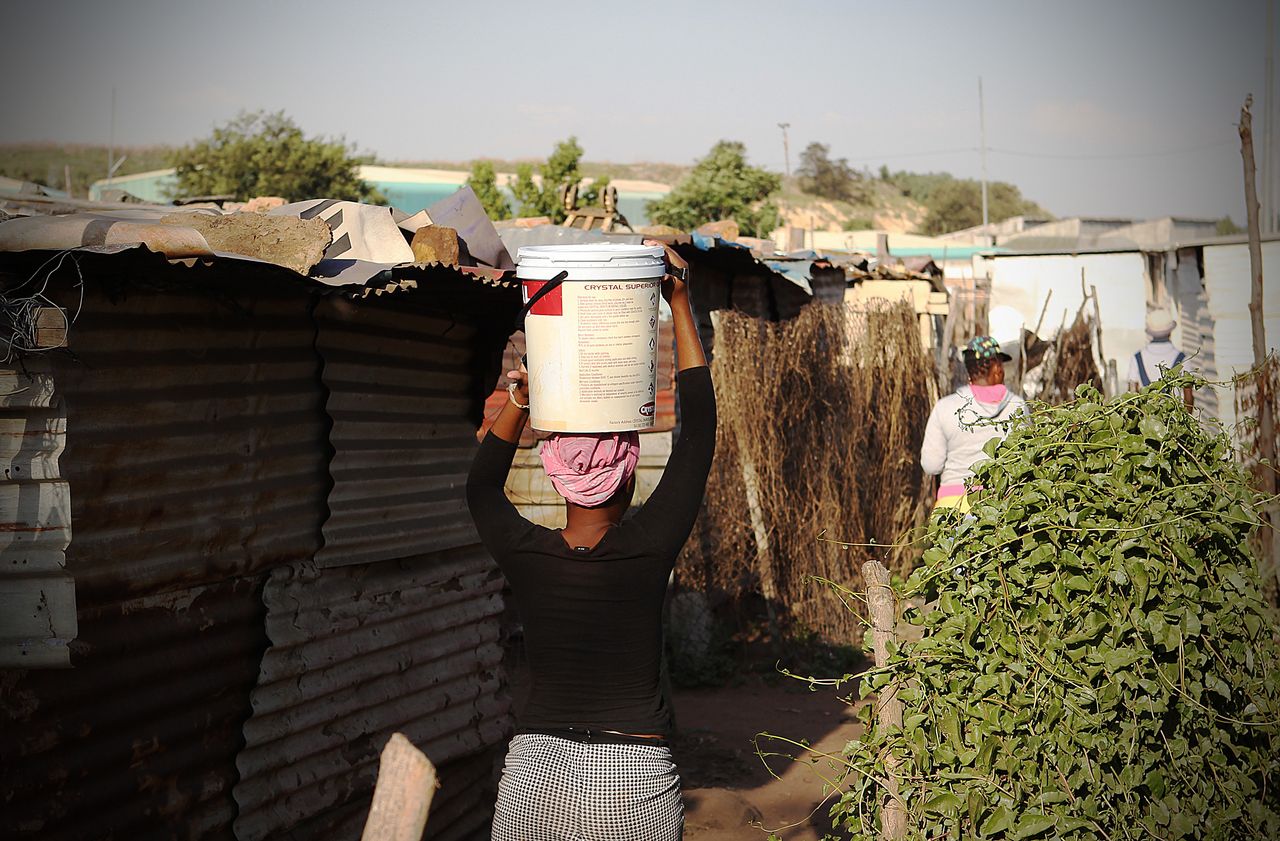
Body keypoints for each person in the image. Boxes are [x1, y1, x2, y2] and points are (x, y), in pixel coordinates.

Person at [467, 242, 714, 841]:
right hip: (633, 774)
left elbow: (481, 489)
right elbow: (697, 433)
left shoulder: (527, 556)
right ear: (629, 472)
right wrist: (678, 303)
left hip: (536, 773)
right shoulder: (648, 549)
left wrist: (521, 399)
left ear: (555, 474)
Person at [921, 336, 1028, 511]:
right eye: (1000, 364)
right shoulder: (1017, 407)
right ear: (995, 367)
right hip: (1000, 508)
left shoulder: (945, 407)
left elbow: (931, 465)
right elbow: (1026, 457)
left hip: (951, 511)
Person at [1128, 309, 1194, 408]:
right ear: (1170, 332)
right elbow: (1188, 398)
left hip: (1146, 421)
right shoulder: (1183, 359)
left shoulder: (1137, 358)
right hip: (1175, 422)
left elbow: (1132, 396)